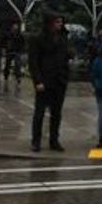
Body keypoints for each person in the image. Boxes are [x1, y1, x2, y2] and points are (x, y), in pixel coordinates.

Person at [27, 15, 71, 153]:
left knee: (56, 113)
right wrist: (38, 81)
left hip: (59, 80)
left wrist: (66, 71)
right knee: (39, 113)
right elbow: (33, 62)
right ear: (50, 23)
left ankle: (54, 140)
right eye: (57, 22)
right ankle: (36, 141)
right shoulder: (38, 38)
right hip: (45, 80)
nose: (60, 24)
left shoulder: (63, 38)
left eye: (61, 22)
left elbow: (65, 56)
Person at [2, 22, 25, 95]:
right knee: (7, 65)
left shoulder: (19, 35)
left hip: (17, 52)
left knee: (17, 65)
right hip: (9, 52)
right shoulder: (8, 35)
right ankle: (6, 78)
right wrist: (5, 49)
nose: (15, 29)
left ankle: (18, 79)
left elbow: (22, 43)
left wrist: (21, 50)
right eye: (14, 28)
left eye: (16, 28)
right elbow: (4, 42)